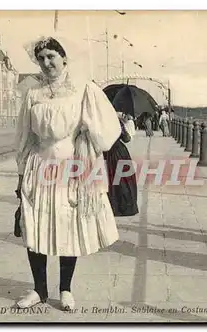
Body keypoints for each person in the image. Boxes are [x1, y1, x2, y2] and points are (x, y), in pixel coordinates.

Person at [15, 35, 121, 310]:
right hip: (38, 167)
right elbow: (24, 136)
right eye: (41, 58)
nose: (46, 62)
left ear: (64, 58)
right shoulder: (32, 93)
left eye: (51, 56)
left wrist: (89, 136)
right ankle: (39, 289)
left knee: (67, 227)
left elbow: (108, 129)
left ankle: (65, 289)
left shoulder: (82, 89)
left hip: (70, 169)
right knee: (35, 226)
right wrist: (21, 172)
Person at [103, 112, 139, 216]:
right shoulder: (117, 123)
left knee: (111, 179)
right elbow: (126, 139)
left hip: (107, 153)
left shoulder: (103, 122)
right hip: (119, 152)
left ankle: (113, 205)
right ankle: (124, 206)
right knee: (124, 180)